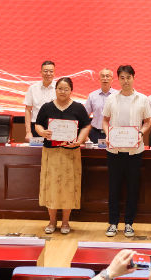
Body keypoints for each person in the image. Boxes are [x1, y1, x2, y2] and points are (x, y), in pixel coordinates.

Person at [33, 75, 90, 234]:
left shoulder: (78, 108)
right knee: (52, 187)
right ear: (55, 90)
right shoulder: (47, 107)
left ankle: (65, 222)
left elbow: (86, 126)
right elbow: (38, 125)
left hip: (70, 154)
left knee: (68, 188)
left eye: (66, 89)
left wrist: (79, 141)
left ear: (71, 91)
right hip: (51, 153)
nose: (62, 92)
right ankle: (52, 222)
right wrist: (42, 132)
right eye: (60, 88)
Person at [102, 64, 150, 238]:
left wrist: (140, 133)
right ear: (118, 79)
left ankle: (129, 223)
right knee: (113, 188)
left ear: (133, 78)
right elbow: (105, 121)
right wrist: (108, 134)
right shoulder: (111, 99)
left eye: (128, 77)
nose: (125, 81)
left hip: (134, 151)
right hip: (114, 151)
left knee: (132, 188)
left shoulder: (142, 99)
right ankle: (113, 223)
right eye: (122, 78)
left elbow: (147, 122)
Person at [25, 61, 57, 147]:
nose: (48, 73)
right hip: (35, 126)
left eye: (51, 71)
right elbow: (28, 110)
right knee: (36, 152)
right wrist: (28, 132)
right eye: (45, 71)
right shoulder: (33, 88)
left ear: (54, 73)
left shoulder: (59, 88)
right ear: (40, 72)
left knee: (53, 151)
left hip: (54, 127)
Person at [85, 69, 115, 144]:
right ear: (99, 79)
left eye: (107, 76)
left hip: (113, 133)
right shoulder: (92, 96)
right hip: (95, 133)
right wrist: (85, 135)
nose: (105, 78)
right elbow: (85, 117)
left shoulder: (117, 96)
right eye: (103, 76)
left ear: (112, 79)